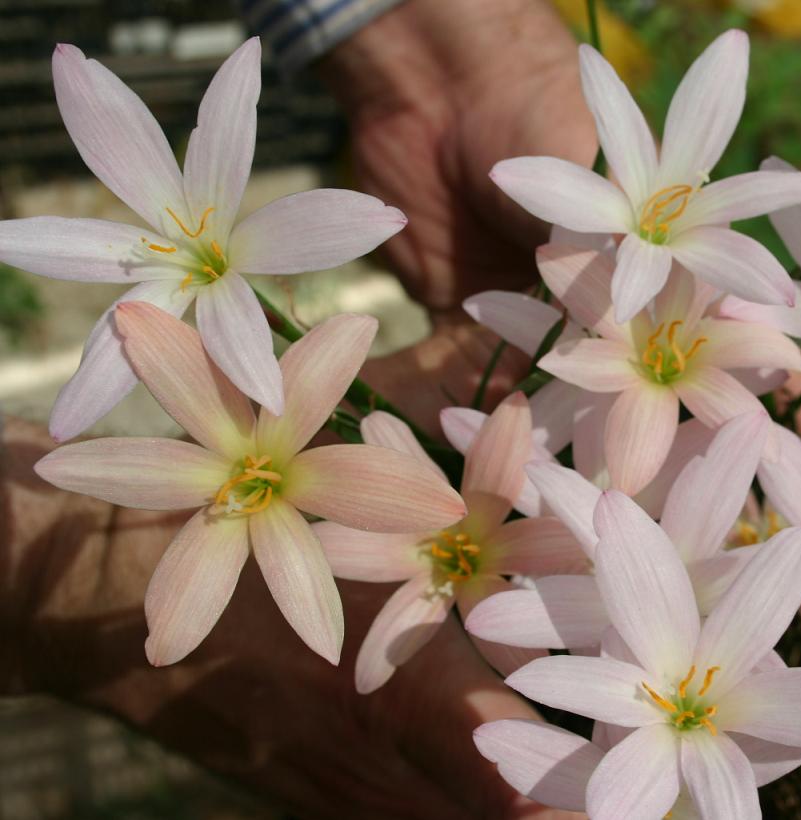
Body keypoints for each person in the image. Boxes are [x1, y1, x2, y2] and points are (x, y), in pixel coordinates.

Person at [1, 0, 595, 816]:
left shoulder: (223, 283)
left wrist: (435, 63)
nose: (198, 253)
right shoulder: (197, 310)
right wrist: (47, 571)